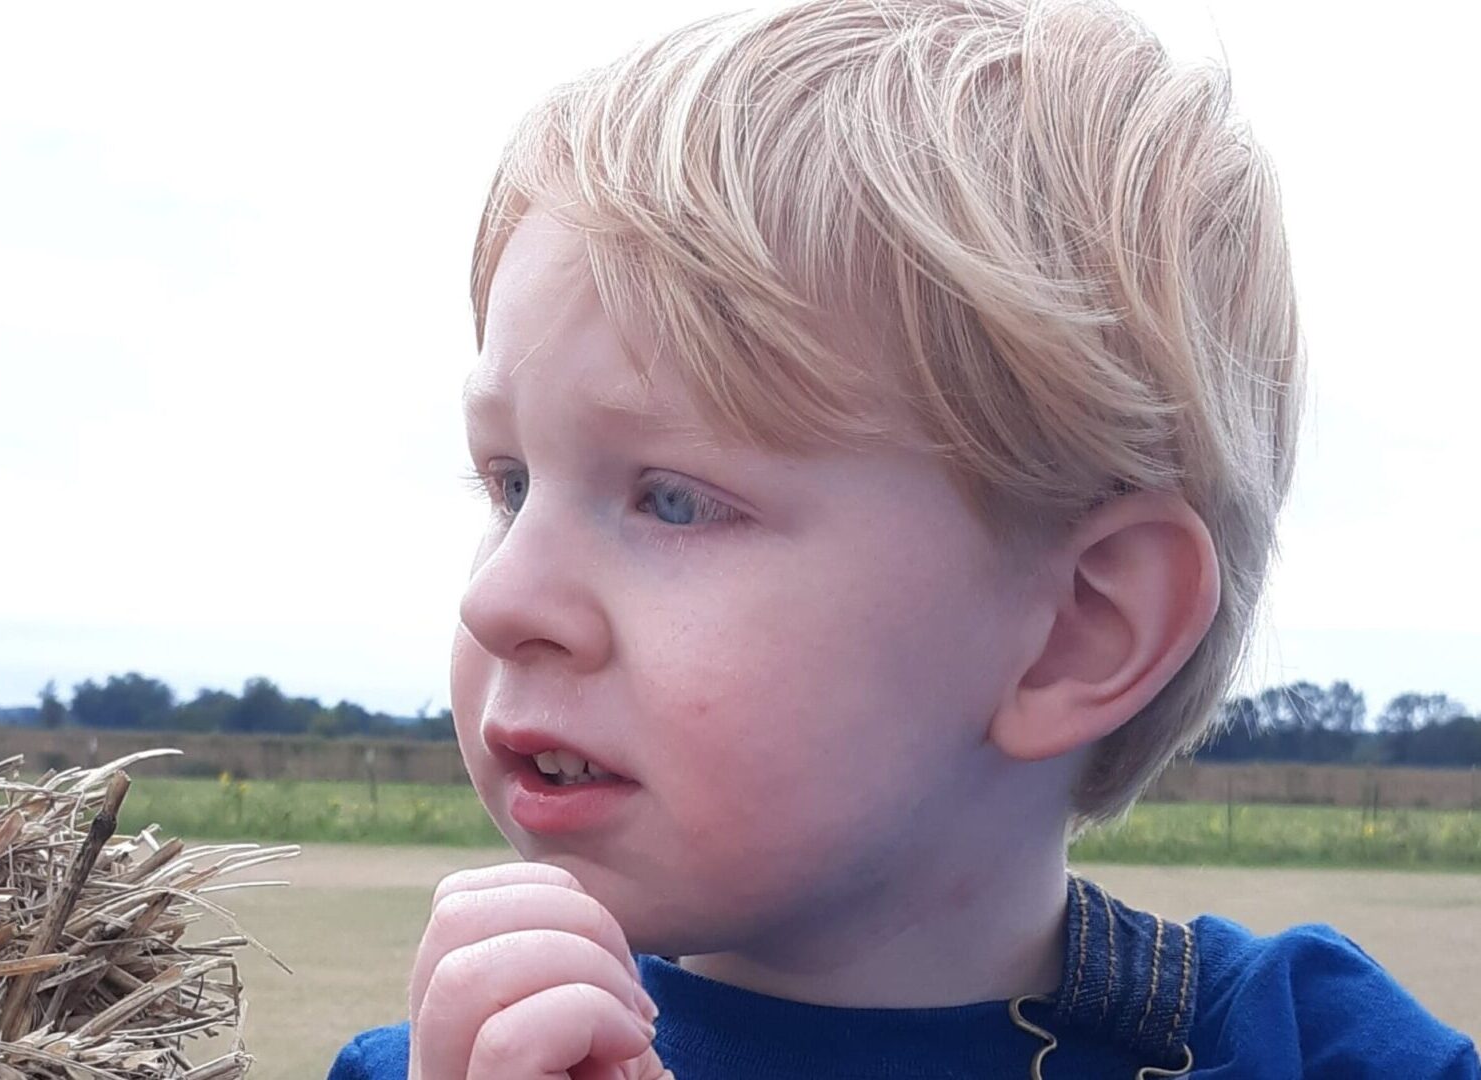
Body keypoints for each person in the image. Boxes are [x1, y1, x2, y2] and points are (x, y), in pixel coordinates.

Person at [329, 0, 1479, 1076]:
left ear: (1074, 632)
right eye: (508, 481)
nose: (500, 600)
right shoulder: (451, 1062)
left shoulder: (1314, 1052)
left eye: (671, 499)